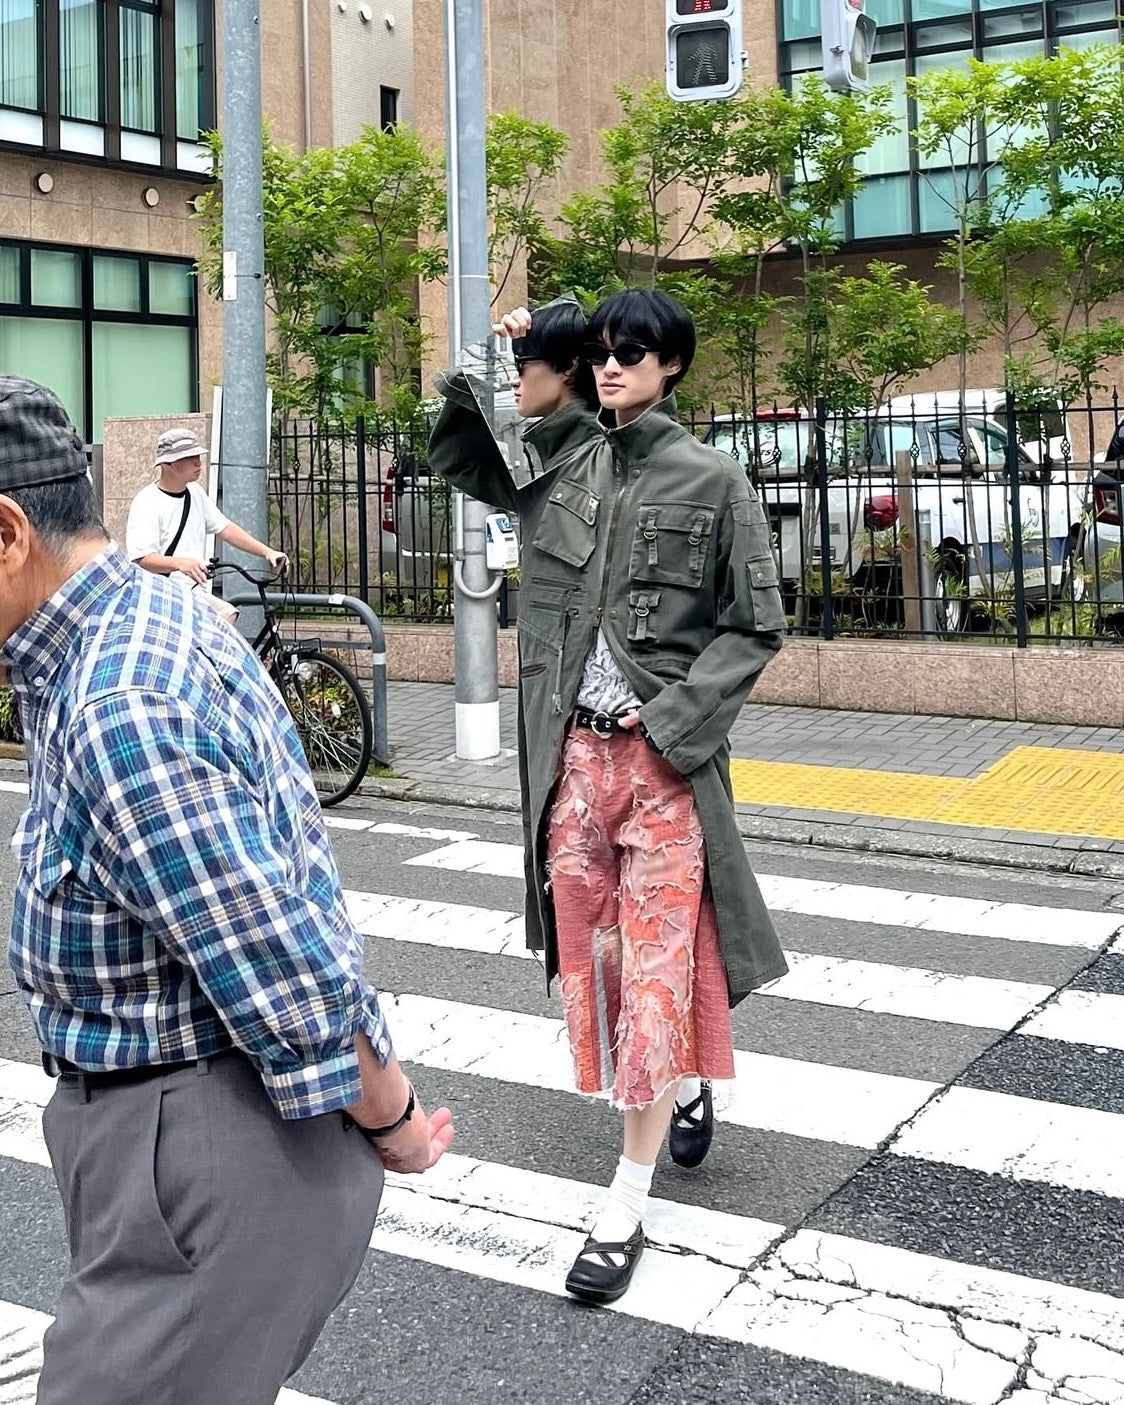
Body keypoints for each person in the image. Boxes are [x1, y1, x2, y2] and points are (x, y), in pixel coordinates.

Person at [0, 377, 454, 1404]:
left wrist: (395, 1119)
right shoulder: (146, 619)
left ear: (8, 532)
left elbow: (289, 975)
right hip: (182, 1143)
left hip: (203, 1149)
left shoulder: (119, 699)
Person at [429, 290, 788, 1306]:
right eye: (601, 353)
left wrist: (674, 725)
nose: (612, 367)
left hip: (662, 771)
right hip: (570, 771)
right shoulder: (559, 461)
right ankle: (677, 1080)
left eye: (632, 353)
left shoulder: (714, 482)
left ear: (670, 364)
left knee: (654, 973)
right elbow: (455, 450)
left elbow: (755, 624)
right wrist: (499, 358)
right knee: (601, 961)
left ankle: (622, 1203)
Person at [126, 426, 288, 587]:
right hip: (162, 594)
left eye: (197, 455)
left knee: (229, 613)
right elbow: (143, 558)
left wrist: (268, 552)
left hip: (195, 591)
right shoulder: (147, 502)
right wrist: (181, 563)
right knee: (228, 613)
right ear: (168, 463)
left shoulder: (195, 492)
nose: (197, 462)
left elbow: (225, 528)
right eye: (188, 457)